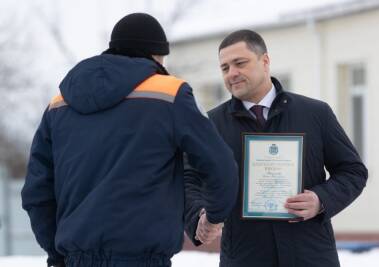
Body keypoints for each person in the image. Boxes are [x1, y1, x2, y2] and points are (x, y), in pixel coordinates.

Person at [21, 13, 238, 267]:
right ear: (156, 56)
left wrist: (58, 255)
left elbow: (37, 193)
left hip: (75, 259)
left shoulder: (59, 104)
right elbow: (221, 166)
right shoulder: (169, 94)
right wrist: (213, 217)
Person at [184, 29, 368, 267]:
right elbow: (189, 178)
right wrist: (199, 216)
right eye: (225, 68)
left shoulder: (315, 114)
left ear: (265, 61)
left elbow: (353, 171)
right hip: (244, 256)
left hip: (310, 255)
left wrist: (320, 199)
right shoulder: (211, 125)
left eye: (240, 63)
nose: (232, 73)